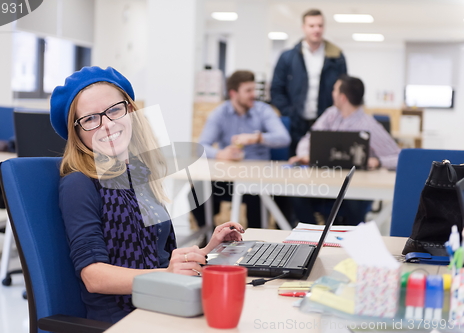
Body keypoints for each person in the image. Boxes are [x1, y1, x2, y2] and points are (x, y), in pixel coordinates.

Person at [49, 66, 244, 323]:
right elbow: (93, 277)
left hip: (161, 302)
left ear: (130, 111)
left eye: (114, 110)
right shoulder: (79, 183)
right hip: (123, 318)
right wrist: (166, 274)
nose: (107, 125)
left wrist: (209, 249)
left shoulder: (138, 173)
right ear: (77, 132)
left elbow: (157, 258)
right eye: (90, 119)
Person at [289, 75, 400, 225]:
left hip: (353, 189)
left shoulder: (369, 125)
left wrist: (378, 161)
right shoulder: (330, 115)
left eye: (334, 90)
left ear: (342, 97)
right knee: (297, 193)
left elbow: (399, 157)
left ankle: (346, 241)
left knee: (352, 201)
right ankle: (313, 235)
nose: (332, 93)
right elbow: (308, 139)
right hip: (324, 182)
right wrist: (305, 155)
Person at [192, 70, 291, 228]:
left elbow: (284, 138)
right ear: (233, 93)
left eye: (254, 90)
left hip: (257, 178)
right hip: (228, 178)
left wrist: (258, 138)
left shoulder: (263, 111)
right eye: (248, 91)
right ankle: (209, 235)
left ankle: (257, 243)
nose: (253, 95)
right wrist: (220, 154)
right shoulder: (219, 114)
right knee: (196, 193)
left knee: (257, 200)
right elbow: (201, 147)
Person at [270, 8, 347, 156]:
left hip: (326, 124)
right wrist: (289, 113)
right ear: (303, 28)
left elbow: (343, 90)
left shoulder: (337, 58)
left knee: (323, 168)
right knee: (295, 168)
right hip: (295, 124)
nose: (316, 29)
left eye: (320, 25)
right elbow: (276, 89)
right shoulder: (288, 57)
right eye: (312, 26)